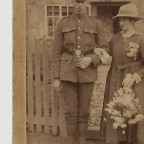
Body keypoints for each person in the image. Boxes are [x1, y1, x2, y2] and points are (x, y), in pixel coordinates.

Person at [52, 0, 108, 143]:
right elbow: (56, 53)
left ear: (87, 3)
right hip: (67, 72)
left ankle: (82, 141)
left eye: (82, 2)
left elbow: (105, 50)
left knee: (84, 112)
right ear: (72, 3)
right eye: (77, 2)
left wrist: (91, 59)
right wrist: (56, 78)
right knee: (70, 112)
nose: (79, 5)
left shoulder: (95, 23)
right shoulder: (62, 23)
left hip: (87, 73)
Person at [100, 3, 144, 144]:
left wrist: (137, 76)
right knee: (115, 110)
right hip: (115, 79)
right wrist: (104, 55)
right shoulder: (114, 38)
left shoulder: (140, 39)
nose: (121, 22)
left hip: (134, 81)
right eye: (120, 19)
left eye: (125, 19)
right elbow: (106, 52)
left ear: (133, 21)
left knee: (132, 110)